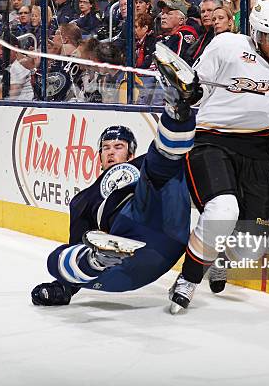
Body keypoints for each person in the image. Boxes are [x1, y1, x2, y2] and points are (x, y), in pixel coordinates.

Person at [166, 0, 269, 314]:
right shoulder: (226, 46)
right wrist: (189, 92)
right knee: (223, 210)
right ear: (255, 33)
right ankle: (188, 278)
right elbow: (195, 88)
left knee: (251, 249)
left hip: (259, 150)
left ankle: (218, 255)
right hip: (211, 140)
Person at [31, 109, 197, 306]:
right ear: (99, 156)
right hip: (133, 265)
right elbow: (78, 245)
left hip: (159, 224)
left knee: (161, 162)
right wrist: (64, 286)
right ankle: (98, 260)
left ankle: (177, 110)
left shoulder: (144, 165)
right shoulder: (82, 201)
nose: (110, 151)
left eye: (118, 146)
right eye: (105, 147)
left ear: (131, 153)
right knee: (54, 260)